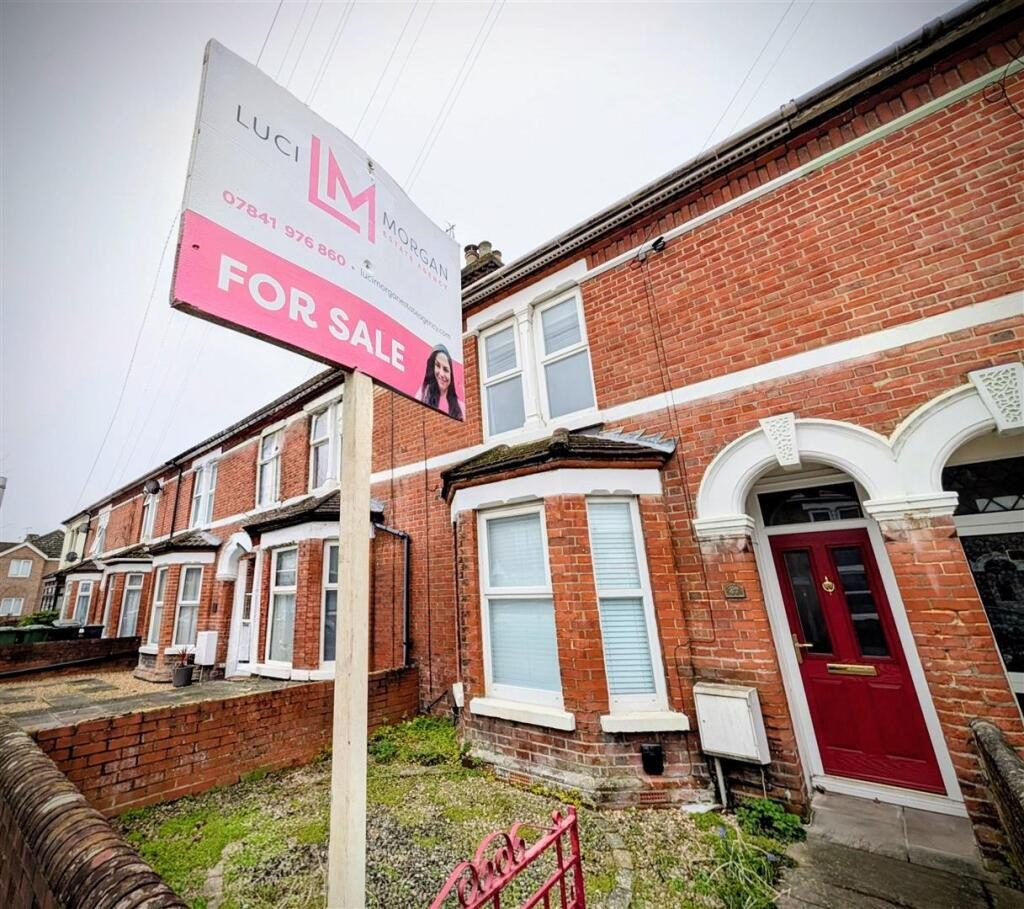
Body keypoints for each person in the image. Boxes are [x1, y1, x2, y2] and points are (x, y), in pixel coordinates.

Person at [417, 345, 463, 419]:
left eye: (446, 370)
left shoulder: (460, 407)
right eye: (438, 366)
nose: (441, 374)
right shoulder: (423, 394)